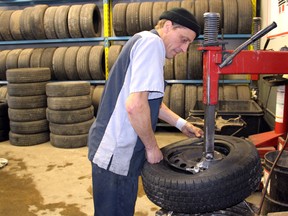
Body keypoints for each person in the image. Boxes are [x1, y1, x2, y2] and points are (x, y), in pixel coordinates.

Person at [88, 7, 204, 216]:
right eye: (183, 39)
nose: (184, 49)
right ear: (168, 26)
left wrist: (181, 124)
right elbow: (135, 106)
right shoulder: (152, 45)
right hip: (117, 153)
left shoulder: (144, 41)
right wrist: (152, 148)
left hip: (114, 148)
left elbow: (152, 103)